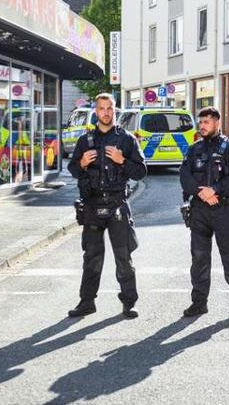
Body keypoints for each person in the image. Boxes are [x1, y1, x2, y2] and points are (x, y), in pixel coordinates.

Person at [67, 93, 147, 319]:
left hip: (116, 205)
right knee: (91, 256)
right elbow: (73, 169)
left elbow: (141, 171)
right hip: (92, 205)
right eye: (101, 108)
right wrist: (81, 163)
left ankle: (129, 302)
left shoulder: (126, 139)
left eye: (109, 108)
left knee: (123, 256)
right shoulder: (85, 141)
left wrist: (123, 161)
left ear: (115, 110)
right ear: (96, 111)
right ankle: (87, 302)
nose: (105, 112)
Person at [179, 106, 229, 320]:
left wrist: (216, 191)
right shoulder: (194, 149)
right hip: (200, 211)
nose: (202, 126)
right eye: (200, 122)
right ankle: (199, 303)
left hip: (224, 210)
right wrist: (202, 194)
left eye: (206, 122)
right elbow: (185, 176)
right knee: (199, 259)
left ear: (217, 123)